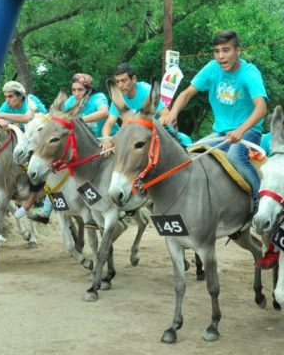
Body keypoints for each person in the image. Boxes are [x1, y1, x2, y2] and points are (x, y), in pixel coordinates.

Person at [163, 30, 268, 205]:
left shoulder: (250, 73)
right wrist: (173, 113)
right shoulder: (212, 68)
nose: (221, 56)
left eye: (226, 50)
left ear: (238, 51)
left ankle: (260, 200)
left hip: (248, 132)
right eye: (217, 51)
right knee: (189, 154)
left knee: (235, 157)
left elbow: (262, 107)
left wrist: (241, 130)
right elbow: (186, 94)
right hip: (220, 133)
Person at [28, 73, 113, 226]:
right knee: (57, 168)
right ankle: (47, 211)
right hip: (83, 145)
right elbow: (59, 117)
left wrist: (79, 121)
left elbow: (104, 112)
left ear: (88, 90)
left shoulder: (98, 97)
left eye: (80, 90)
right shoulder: (71, 101)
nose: (76, 93)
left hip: (104, 141)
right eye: (73, 90)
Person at [0, 81, 47, 219]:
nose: (7, 100)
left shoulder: (31, 100)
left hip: (42, 139)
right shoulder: (7, 104)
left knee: (35, 164)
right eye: (6, 97)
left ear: (21, 96)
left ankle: (29, 203)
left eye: (10, 96)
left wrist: (0, 116)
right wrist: (1, 121)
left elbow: (27, 118)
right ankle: (1, 187)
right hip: (23, 139)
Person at [101, 63, 167, 155]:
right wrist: (106, 139)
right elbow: (108, 124)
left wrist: (154, 129)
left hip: (152, 137)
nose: (120, 85)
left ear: (134, 79)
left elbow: (165, 114)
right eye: (117, 82)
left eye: (124, 81)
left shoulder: (147, 91)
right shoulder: (118, 97)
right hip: (132, 139)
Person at [254, 132, 279, 269]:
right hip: (271, 184)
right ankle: (270, 251)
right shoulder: (266, 139)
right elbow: (260, 162)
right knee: (265, 215)